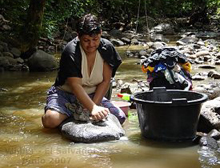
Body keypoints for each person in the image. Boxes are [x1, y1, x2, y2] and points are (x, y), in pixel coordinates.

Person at [42, 14, 126, 128]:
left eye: (95, 39)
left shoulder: (107, 48)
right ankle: (68, 113)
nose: (91, 44)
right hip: (65, 94)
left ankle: (77, 112)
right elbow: (75, 85)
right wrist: (93, 109)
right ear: (78, 36)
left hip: (92, 94)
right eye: (86, 40)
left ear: (100, 33)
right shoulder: (71, 51)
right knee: (50, 121)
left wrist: (94, 106)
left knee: (120, 117)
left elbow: (106, 81)